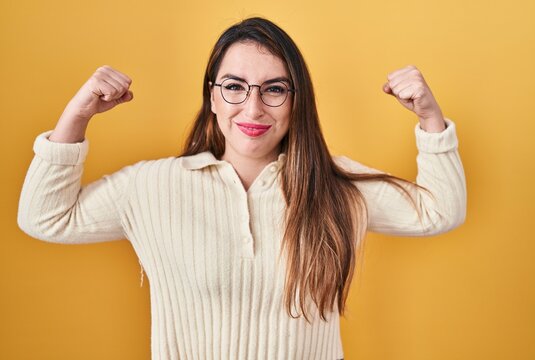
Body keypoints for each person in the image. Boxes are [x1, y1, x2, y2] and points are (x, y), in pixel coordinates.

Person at [18, 17, 466, 360]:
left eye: (274, 89)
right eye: (234, 87)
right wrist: (75, 117)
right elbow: (44, 218)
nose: (252, 107)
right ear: (212, 97)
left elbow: (440, 211)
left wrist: (431, 119)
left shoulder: (333, 186)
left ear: (296, 101)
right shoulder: (152, 186)